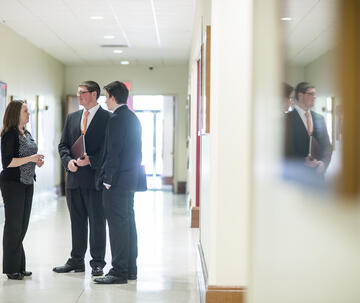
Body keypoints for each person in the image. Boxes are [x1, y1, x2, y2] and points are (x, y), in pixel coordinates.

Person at [54, 81, 110, 276]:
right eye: (77, 93)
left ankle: (97, 262)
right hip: (74, 180)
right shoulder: (73, 117)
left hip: (95, 180)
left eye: (82, 93)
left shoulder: (107, 118)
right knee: (77, 222)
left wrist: (91, 161)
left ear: (94, 94)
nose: (79, 96)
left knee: (97, 222)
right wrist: (68, 161)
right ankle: (76, 260)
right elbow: (63, 146)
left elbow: (108, 149)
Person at [94, 81, 142, 284]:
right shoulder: (132, 117)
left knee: (117, 226)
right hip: (130, 180)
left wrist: (108, 180)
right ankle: (130, 268)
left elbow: (114, 152)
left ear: (113, 97)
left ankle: (119, 271)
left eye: (106, 97)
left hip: (117, 182)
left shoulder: (116, 119)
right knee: (127, 223)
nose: (105, 101)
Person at [0, 100, 44, 280]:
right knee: (14, 226)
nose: (28, 114)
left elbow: (28, 157)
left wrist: (36, 161)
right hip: (12, 184)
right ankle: (11, 269)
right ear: (16, 114)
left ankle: (19, 264)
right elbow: (8, 162)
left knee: (23, 225)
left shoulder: (26, 132)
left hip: (27, 183)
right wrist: (31, 158)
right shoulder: (9, 135)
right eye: (25, 111)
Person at [285, 82, 332, 181]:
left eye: (315, 94)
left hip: (318, 177)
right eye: (311, 94)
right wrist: (302, 161)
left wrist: (323, 164)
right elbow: (285, 150)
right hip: (297, 178)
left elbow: (327, 146)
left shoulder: (320, 118)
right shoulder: (287, 119)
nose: (314, 97)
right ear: (300, 95)